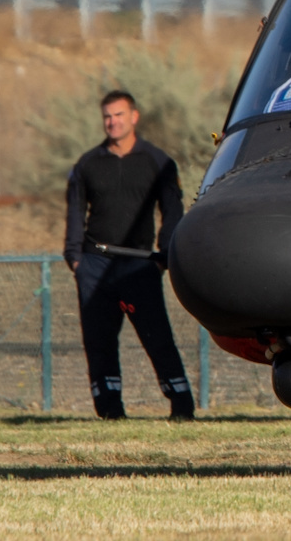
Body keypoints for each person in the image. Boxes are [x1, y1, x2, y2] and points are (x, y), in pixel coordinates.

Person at [63, 90, 193, 420]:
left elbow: (172, 209)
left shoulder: (158, 161)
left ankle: (181, 405)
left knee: (157, 337)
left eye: (119, 115)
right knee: (99, 341)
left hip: (138, 265)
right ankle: (109, 410)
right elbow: (76, 211)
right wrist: (75, 258)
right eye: (107, 116)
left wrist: (165, 253)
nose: (112, 122)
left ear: (134, 117)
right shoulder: (88, 164)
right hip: (95, 264)